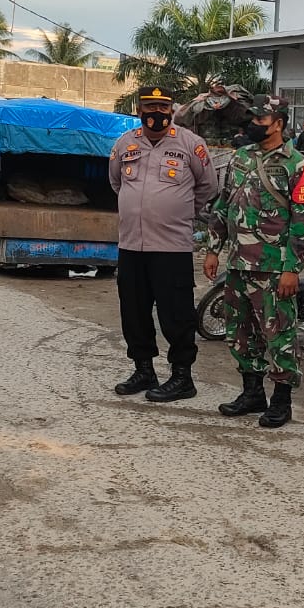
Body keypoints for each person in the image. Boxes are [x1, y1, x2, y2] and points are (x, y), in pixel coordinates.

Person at [205, 94, 304, 428]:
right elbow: (223, 206)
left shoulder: (297, 165)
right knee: (240, 332)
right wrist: (213, 249)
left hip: (273, 269)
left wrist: (291, 269)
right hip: (238, 264)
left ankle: (281, 401)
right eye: (252, 119)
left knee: (279, 335)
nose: (253, 125)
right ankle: (252, 393)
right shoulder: (240, 157)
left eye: (260, 120)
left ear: (278, 123)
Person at [109, 85, 216, 403]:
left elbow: (207, 187)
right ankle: (144, 370)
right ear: (140, 111)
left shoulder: (191, 145)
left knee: (176, 314)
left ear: (172, 111)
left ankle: (182, 377)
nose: (155, 114)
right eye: (149, 108)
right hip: (131, 246)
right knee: (134, 312)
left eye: (162, 109)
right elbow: (116, 182)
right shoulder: (124, 143)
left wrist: (180, 210)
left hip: (172, 247)